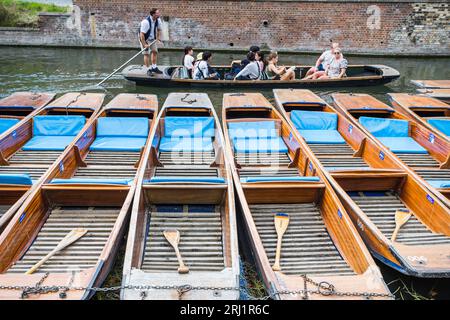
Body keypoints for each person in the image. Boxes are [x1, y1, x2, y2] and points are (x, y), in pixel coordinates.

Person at [139, 8, 163, 75]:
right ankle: (148, 69)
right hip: (144, 38)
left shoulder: (158, 20)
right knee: (146, 54)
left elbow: (158, 29)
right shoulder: (145, 22)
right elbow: (142, 34)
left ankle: (154, 67)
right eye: (157, 13)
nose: (159, 14)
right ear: (153, 14)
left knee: (155, 52)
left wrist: (157, 38)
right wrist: (144, 44)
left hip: (152, 39)